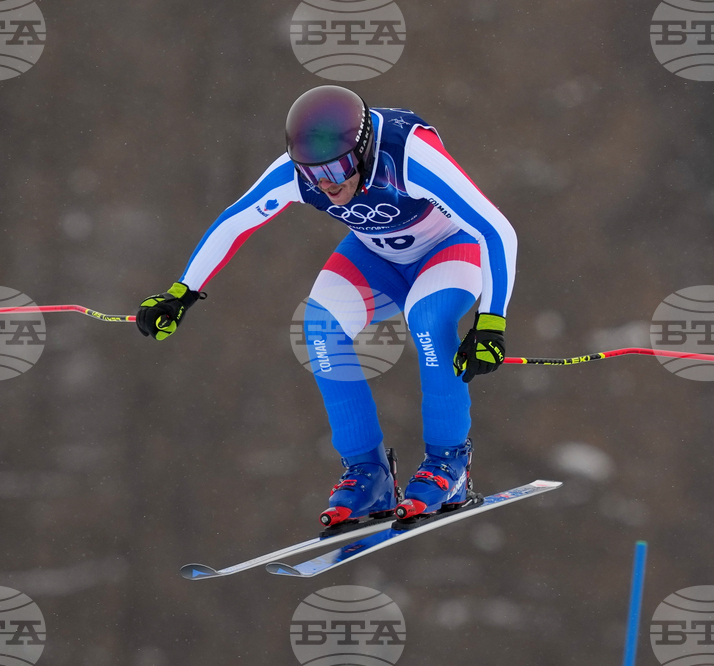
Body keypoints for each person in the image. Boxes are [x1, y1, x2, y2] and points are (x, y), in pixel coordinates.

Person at [136, 85, 517, 526]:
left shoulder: (407, 153)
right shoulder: (300, 175)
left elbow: (497, 230)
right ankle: (368, 474)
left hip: (449, 249)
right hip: (378, 257)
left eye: (337, 168)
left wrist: (491, 322)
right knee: (318, 330)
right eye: (313, 174)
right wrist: (182, 292)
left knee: (429, 322)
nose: (327, 184)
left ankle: (448, 464)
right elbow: (235, 221)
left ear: (363, 149)